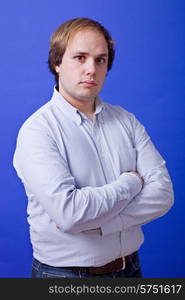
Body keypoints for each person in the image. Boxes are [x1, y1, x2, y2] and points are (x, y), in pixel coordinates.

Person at [13, 17, 174, 278]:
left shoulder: (126, 121)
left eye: (100, 60)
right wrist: (131, 183)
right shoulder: (37, 131)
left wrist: (101, 225)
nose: (91, 69)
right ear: (57, 62)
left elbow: (163, 195)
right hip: (65, 276)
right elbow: (71, 214)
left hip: (129, 269)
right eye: (80, 57)